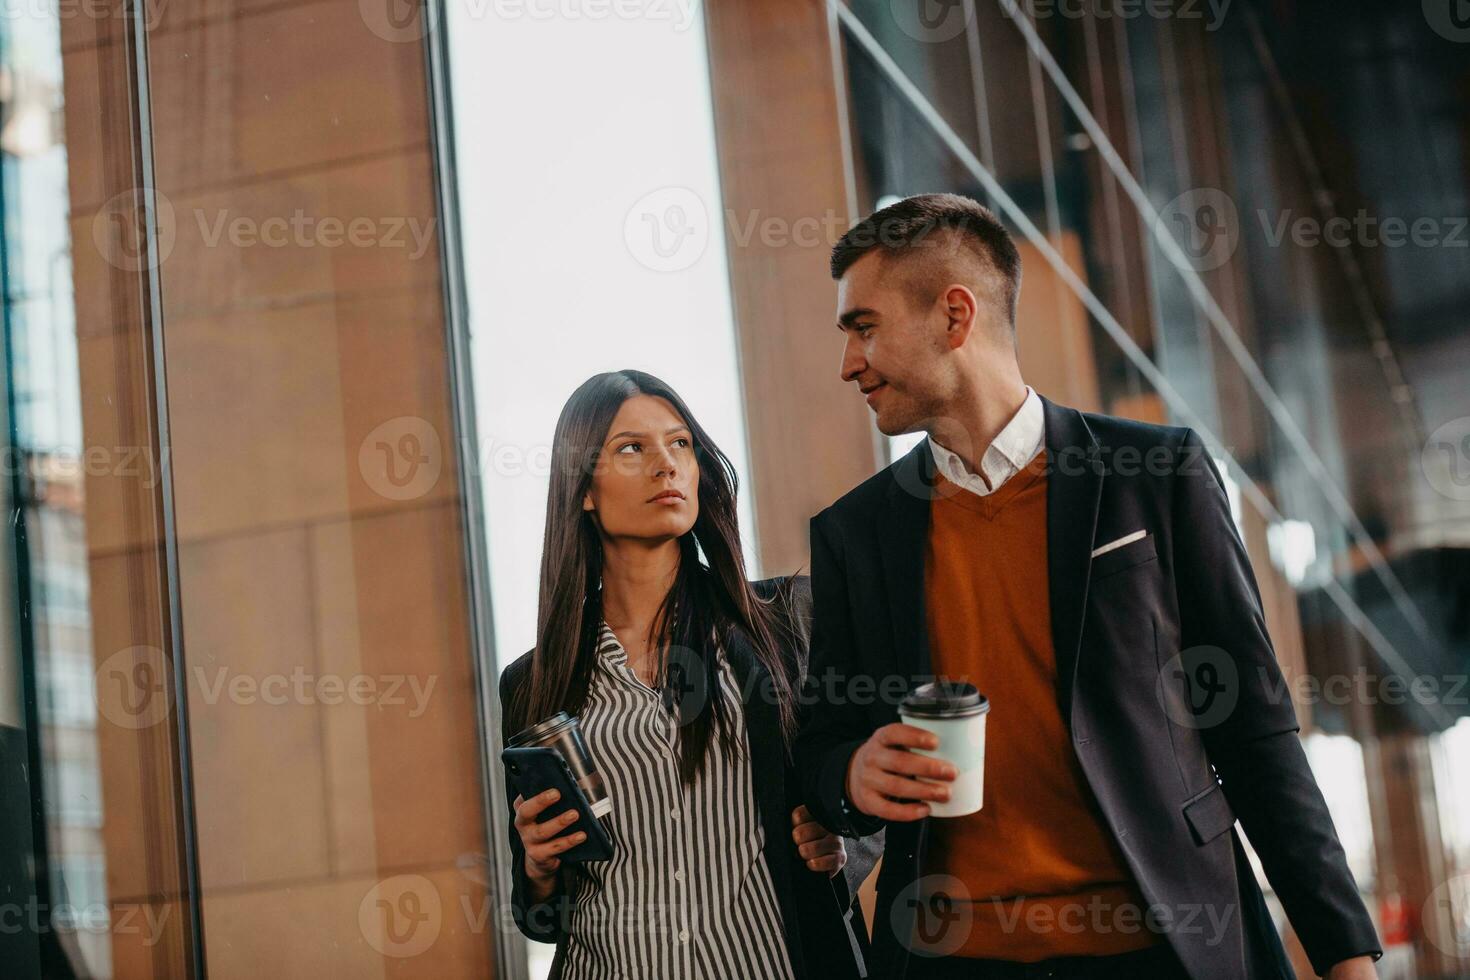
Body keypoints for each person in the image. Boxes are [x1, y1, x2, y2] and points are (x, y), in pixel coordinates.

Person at [795, 193, 1383, 980]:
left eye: (863, 327)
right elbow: (824, 740)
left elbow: (1253, 728)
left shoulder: (1158, 475)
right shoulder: (854, 534)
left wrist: (1346, 954)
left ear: (954, 316)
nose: (848, 363)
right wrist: (850, 775)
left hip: (1162, 952)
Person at [499, 370, 871, 980]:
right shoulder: (533, 683)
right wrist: (538, 875)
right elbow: (543, 918)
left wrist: (843, 842)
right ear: (583, 490)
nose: (666, 465)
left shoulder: (786, 623)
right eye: (630, 449)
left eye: (680, 444)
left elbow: (862, 770)